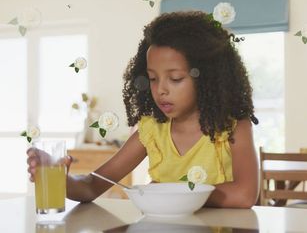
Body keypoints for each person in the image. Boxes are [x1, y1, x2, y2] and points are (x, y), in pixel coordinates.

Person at [27, 11, 260, 208]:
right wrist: (59, 178)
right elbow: (92, 186)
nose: (161, 90)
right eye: (152, 78)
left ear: (208, 78)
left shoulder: (234, 128)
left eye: (175, 78)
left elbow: (244, 194)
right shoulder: (151, 131)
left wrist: (168, 193)